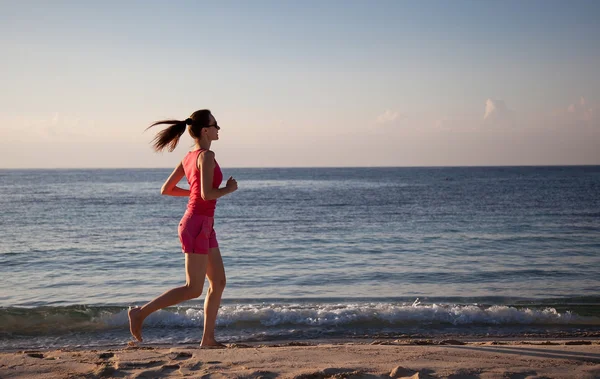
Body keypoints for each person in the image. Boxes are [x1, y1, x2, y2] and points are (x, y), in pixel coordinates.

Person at [128, 109, 238, 348]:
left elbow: (167, 189)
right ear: (205, 130)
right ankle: (140, 313)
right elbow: (207, 195)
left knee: (218, 282)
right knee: (193, 288)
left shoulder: (189, 156)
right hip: (197, 224)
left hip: (203, 224)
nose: (219, 128)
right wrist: (228, 189)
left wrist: (196, 195)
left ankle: (208, 339)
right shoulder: (206, 156)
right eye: (215, 124)